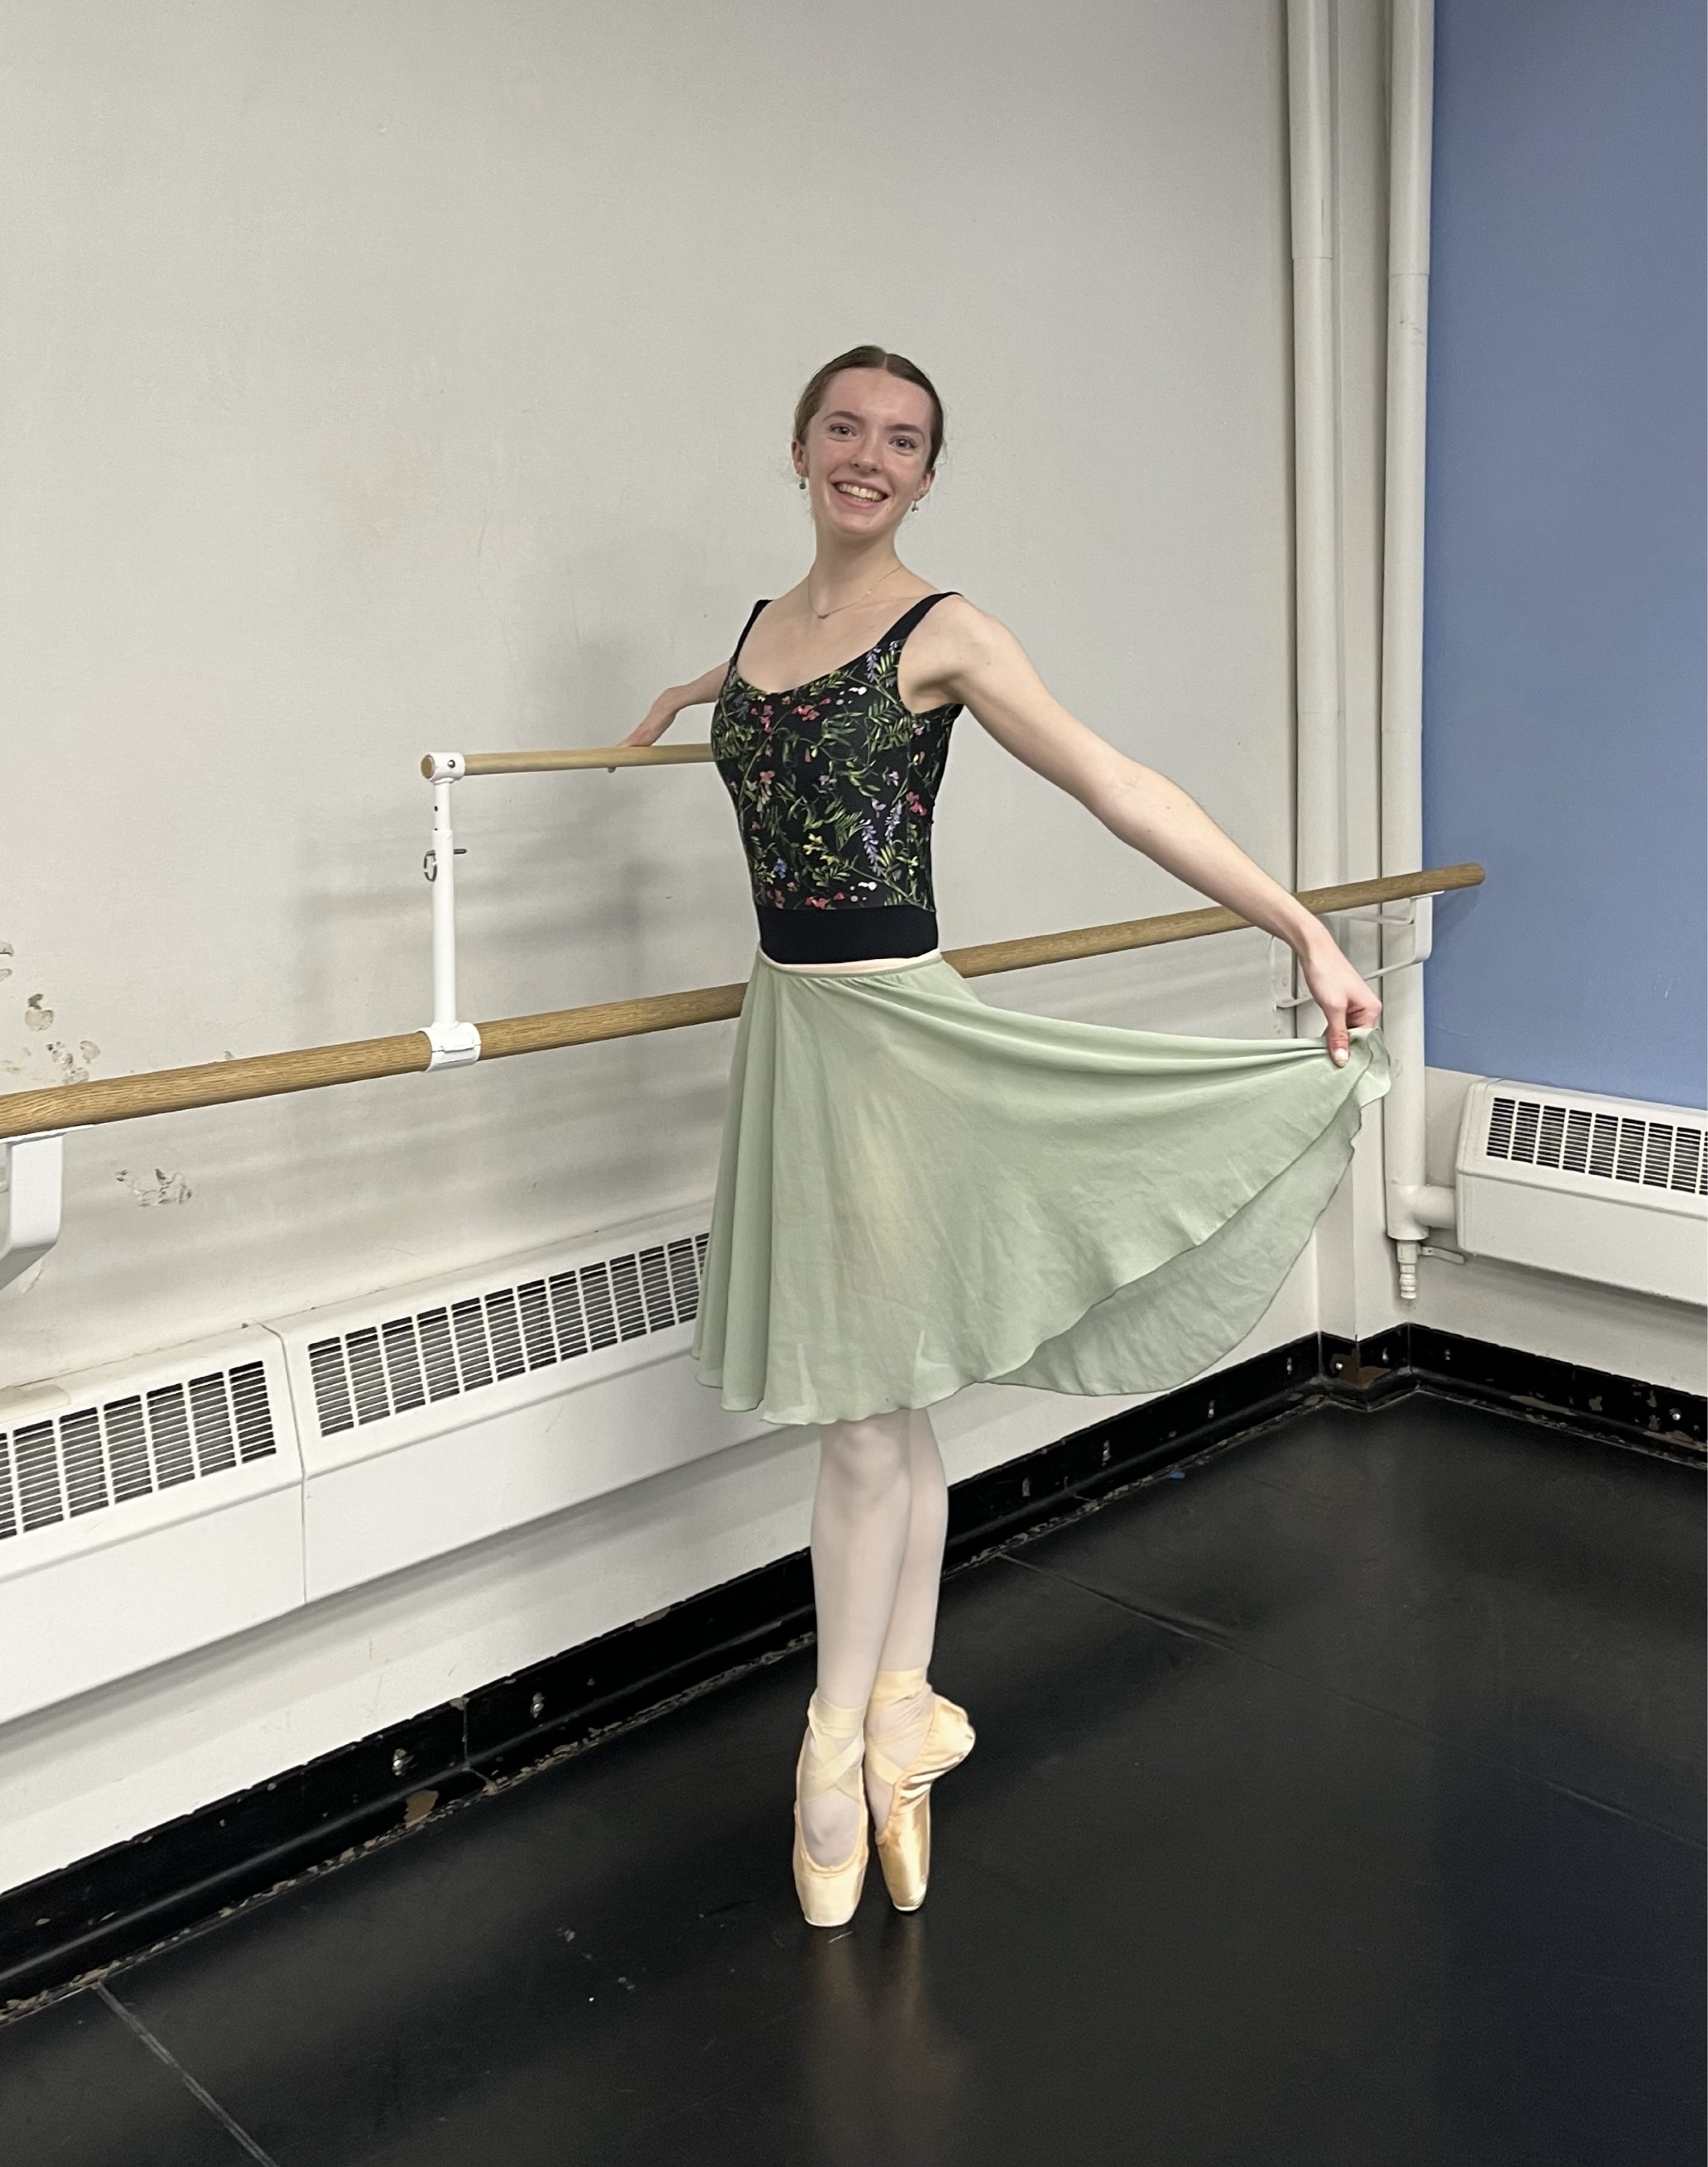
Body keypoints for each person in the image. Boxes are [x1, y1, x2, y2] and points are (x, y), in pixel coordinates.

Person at [625, 346, 1386, 1930]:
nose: (868, 457)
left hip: (897, 1040)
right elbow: (764, 696)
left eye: (900, 441)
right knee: (888, 1407)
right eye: (845, 428)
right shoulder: (763, 631)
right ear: (799, 445)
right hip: (794, 1037)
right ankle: (900, 1714)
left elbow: (1114, 782)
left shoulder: (944, 632)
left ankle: (829, 1752)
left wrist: (1300, 930)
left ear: (923, 472)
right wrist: (694, 695)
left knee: (855, 1414)